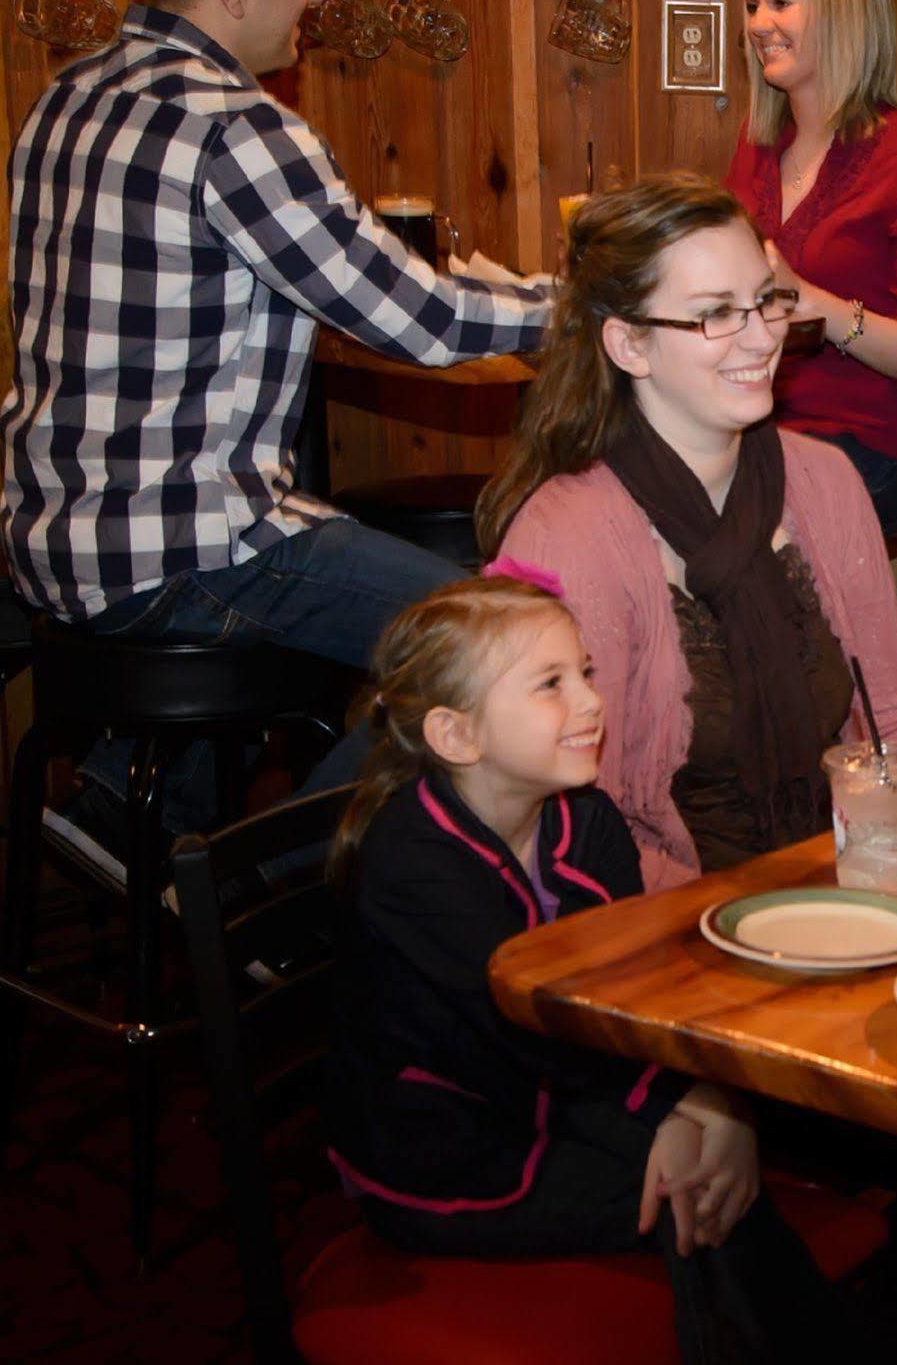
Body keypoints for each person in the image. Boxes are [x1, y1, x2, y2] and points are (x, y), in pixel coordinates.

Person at [0, 0, 551, 880]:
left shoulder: (64, 100)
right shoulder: (237, 127)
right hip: (178, 552)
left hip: (52, 541)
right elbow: (414, 317)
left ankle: (124, 801)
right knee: (496, 645)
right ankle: (259, 893)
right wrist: (572, 308)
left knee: (314, 530)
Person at [324, 573, 828, 1363]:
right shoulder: (413, 864)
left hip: (559, 1091)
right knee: (697, 1195)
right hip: (446, 1145)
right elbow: (527, 1037)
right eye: (551, 685)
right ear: (458, 737)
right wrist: (682, 1115)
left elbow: (629, 997)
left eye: (585, 674)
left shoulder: (585, 820)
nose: (592, 702)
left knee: (749, 1153)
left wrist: (715, 1102)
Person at [478, 172, 897, 891]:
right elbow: (570, 822)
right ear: (629, 346)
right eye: (715, 315)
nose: (762, 337)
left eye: (766, 299)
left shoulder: (825, 484)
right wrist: (746, 916)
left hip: (838, 890)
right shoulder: (567, 536)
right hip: (663, 919)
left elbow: (893, 715)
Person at [724, 0, 897, 541]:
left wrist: (809, 301)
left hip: (873, 445)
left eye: (779, 3)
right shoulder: (756, 147)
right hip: (759, 434)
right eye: (752, 5)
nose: (756, 24)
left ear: (842, 14)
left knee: (736, 526)